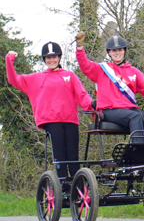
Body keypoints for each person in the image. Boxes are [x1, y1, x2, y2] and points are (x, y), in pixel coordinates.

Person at [5, 42, 93, 181]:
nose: (51, 60)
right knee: (60, 155)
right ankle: (63, 185)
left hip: (70, 120)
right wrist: (9, 60)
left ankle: (77, 187)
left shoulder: (69, 76)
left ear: (59, 58)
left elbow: (82, 95)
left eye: (54, 57)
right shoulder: (36, 78)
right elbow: (13, 79)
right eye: (48, 58)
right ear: (44, 60)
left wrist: (93, 107)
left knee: (73, 156)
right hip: (52, 121)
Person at [75, 32, 144, 143]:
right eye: (114, 50)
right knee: (135, 117)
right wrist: (80, 47)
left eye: (120, 50)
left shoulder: (133, 71)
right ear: (109, 52)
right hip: (109, 110)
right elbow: (85, 65)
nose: (117, 53)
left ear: (124, 51)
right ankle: (138, 150)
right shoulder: (101, 70)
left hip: (129, 109)